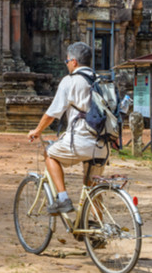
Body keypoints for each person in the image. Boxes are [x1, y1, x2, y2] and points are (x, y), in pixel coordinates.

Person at [26, 41, 106, 215]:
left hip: (80, 141)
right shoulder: (101, 80)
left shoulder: (70, 81)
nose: (67, 64)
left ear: (74, 62)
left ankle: (62, 198)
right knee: (92, 189)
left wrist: (37, 130)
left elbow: (52, 113)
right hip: (103, 144)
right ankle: (97, 233)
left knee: (49, 153)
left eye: (67, 61)